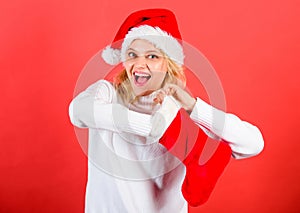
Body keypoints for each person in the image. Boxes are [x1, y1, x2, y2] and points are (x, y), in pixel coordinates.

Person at [69, 8, 264, 213]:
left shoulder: (179, 112)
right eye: (132, 54)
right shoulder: (107, 93)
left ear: (168, 64)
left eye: (152, 56)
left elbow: (253, 144)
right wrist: (152, 126)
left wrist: (193, 106)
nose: (139, 64)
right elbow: (77, 112)